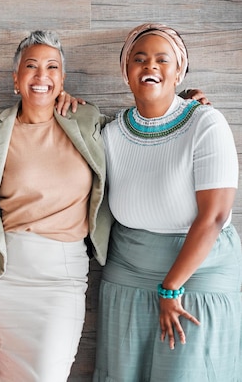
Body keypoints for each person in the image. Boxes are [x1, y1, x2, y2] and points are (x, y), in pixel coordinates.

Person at [0, 30, 113, 381]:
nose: (42, 76)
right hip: (5, 274)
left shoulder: (87, 120)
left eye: (52, 67)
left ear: (62, 79)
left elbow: (138, 135)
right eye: (31, 66)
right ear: (16, 78)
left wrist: (186, 104)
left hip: (62, 276)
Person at [93, 23, 241, 381]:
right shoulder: (110, 133)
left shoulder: (205, 123)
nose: (150, 66)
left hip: (197, 274)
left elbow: (215, 215)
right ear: (126, 72)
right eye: (139, 59)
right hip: (127, 272)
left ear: (179, 71)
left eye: (163, 59)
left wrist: (171, 286)